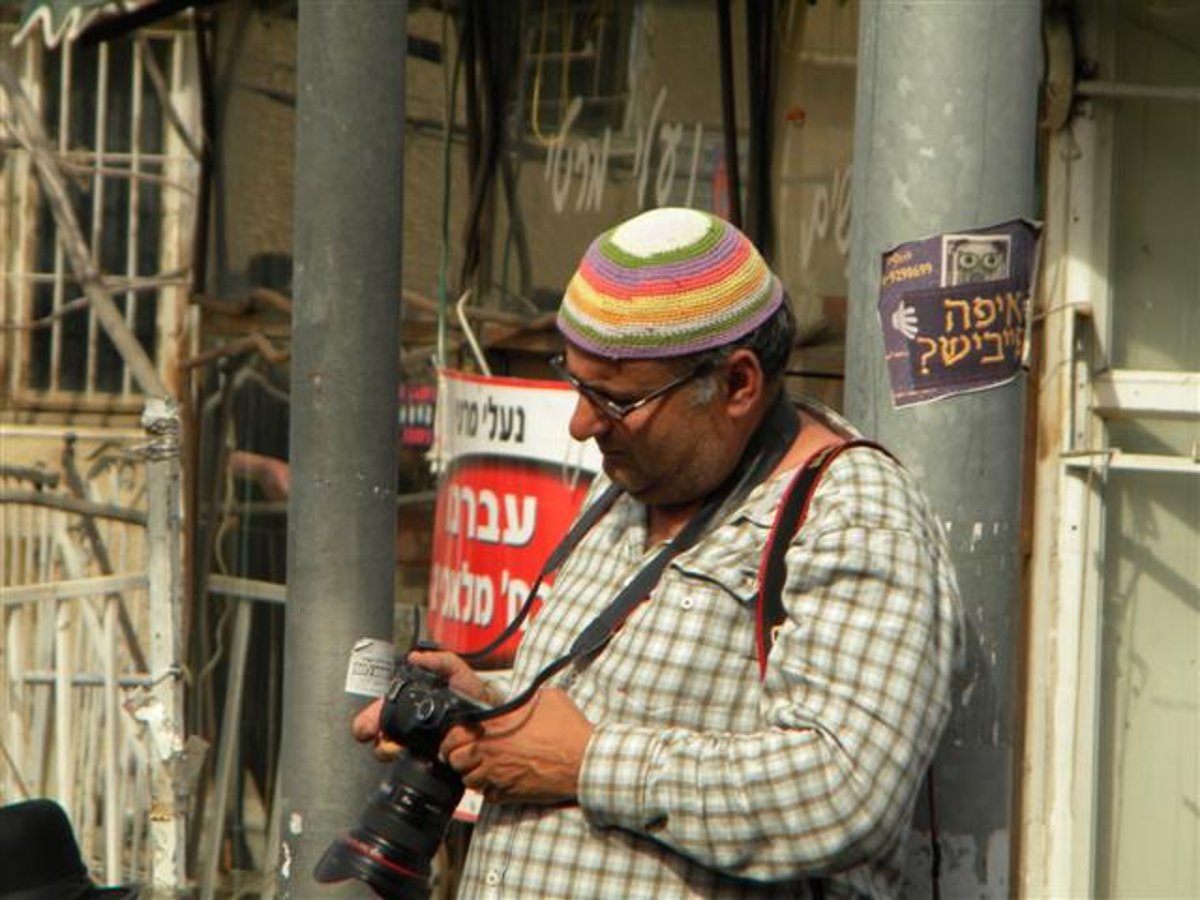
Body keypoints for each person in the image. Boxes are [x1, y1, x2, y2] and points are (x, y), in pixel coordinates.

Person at [354, 207, 963, 898]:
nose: (582, 425)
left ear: (737, 384)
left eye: (613, 399)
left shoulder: (853, 514)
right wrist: (486, 714)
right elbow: (598, 715)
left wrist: (587, 763)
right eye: (576, 383)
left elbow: (847, 792)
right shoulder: (632, 482)